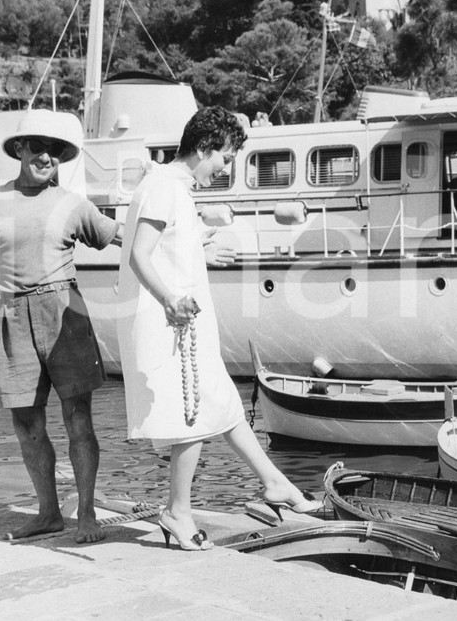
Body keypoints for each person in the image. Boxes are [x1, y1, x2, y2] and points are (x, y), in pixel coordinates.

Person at [117, 106, 321, 551]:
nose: (225, 168)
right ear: (204, 148)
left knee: (222, 402)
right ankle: (177, 512)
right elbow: (138, 254)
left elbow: (164, 248)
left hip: (186, 320)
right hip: (173, 320)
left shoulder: (172, 189)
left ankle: (275, 484)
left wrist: (199, 253)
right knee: (192, 415)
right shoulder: (165, 188)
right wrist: (170, 298)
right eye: (225, 159)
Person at [0, 109, 121, 544]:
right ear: (19, 149)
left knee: (79, 420)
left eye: (56, 150)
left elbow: (124, 236)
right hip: (12, 315)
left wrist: (178, 237)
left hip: (65, 313)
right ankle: (48, 514)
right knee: (27, 424)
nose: (46, 156)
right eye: (38, 146)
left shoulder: (74, 204)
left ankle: (87, 514)